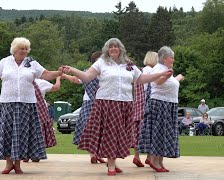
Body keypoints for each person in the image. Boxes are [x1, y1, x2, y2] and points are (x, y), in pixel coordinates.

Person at [60, 38, 173, 176]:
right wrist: (72, 70)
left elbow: (142, 79)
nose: (113, 48)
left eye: (116, 46)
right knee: (110, 134)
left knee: (120, 136)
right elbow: (87, 76)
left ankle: (111, 162)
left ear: (121, 49)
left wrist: (161, 74)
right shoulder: (102, 62)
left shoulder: (129, 64)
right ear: (107, 49)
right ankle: (111, 166)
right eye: (110, 46)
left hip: (125, 104)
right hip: (106, 103)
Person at [0, 37, 61, 174]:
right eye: (22, 48)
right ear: (14, 49)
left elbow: (47, 74)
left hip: (27, 104)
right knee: (7, 133)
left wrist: (59, 73)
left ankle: (18, 164)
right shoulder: (5, 62)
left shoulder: (32, 63)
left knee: (22, 135)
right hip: (8, 103)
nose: (24, 51)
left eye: (26, 48)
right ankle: (8, 164)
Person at [137, 46, 185, 173]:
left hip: (169, 104)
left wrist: (177, 78)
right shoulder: (158, 69)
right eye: (172, 57)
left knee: (164, 134)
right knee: (159, 133)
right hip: (160, 104)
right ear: (164, 58)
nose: (173, 60)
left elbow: (168, 83)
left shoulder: (166, 69)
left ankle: (160, 160)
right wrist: (167, 76)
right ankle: (154, 161)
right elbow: (158, 82)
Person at [62, 51, 105, 164]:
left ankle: (94, 154)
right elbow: (76, 79)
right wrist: (66, 75)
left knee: (90, 129)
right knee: (98, 129)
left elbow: (76, 80)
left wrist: (65, 76)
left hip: (89, 102)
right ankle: (95, 154)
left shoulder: (87, 72)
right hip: (100, 103)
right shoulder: (103, 72)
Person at [23, 76, 61, 162]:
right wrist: (58, 78)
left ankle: (26, 154)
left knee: (27, 130)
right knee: (39, 131)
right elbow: (56, 87)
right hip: (40, 108)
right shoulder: (41, 82)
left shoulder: (23, 80)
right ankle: (36, 154)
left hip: (26, 108)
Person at [131, 51, 158, 168]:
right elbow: (149, 91)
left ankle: (136, 156)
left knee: (137, 131)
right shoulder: (151, 72)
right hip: (146, 106)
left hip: (136, 105)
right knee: (149, 130)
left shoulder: (139, 71)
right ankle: (149, 157)